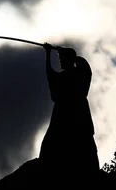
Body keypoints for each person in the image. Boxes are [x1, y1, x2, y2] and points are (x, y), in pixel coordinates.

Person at [39, 42, 99, 175]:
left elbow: (83, 64)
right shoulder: (64, 76)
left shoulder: (79, 73)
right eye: (60, 59)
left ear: (69, 59)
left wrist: (62, 52)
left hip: (76, 114)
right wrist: (49, 54)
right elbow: (50, 74)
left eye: (62, 59)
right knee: (51, 143)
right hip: (62, 113)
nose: (60, 61)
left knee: (83, 143)